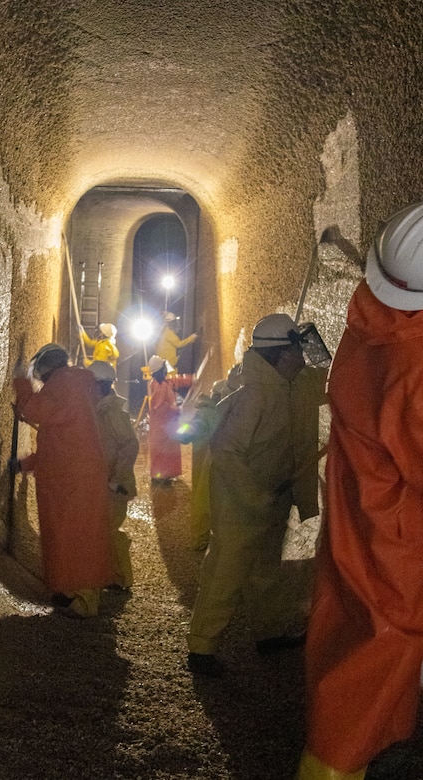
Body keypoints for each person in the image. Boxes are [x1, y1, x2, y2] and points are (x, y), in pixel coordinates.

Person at [296, 202, 423, 780]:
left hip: (360, 525)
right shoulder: (413, 367)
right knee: (377, 665)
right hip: (401, 545)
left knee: (350, 648)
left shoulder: (363, 333)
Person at [186, 314, 328, 677]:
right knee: (225, 572)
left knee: (265, 570)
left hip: (271, 498)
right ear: (282, 354)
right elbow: (226, 451)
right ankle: (201, 647)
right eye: (297, 348)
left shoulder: (291, 386)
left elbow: (332, 382)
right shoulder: (253, 397)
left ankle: (269, 633)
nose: (303, 355)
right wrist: (255, 495)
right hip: (240, 503)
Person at [12, 343, 114, 618]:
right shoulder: (79, 384)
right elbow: (58, 437)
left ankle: (80, 598)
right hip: (78, 474)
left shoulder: (63, 384)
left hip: (69, 479)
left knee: (72, 536)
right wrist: (25, 465)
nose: (40, 380)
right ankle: (74, 593)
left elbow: (36, 410)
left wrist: (20, 381)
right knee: (81, 533)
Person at [88, 360, 139, 590]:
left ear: (100, 385)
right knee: (106, 530)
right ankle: (117, 577)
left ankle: (120, 579)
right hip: (107, 482)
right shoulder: (101, 408)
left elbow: (130, 445)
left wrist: (116, 480)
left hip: (115, 486)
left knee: (107, 531)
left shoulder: (113, 412)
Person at [176, 379, 225, 551]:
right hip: (211, 463)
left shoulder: (208, 411)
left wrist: (182, 432)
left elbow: (187, 432)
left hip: (208, 463)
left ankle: (204, 537)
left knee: (205, 499)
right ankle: (203, 537)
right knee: (207, 500)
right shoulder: (211, 412)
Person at [147, 354, 191, 485]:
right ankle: (160, 478)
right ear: (161, 370)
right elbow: (161, 408)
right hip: (163, 427)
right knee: (163, 454)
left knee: (165, 453)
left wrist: (191, 378)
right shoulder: (159, 386)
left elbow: (176, 380)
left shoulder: (161, 382)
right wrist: (178, 410)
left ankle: (165, 476)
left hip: (164, 427)